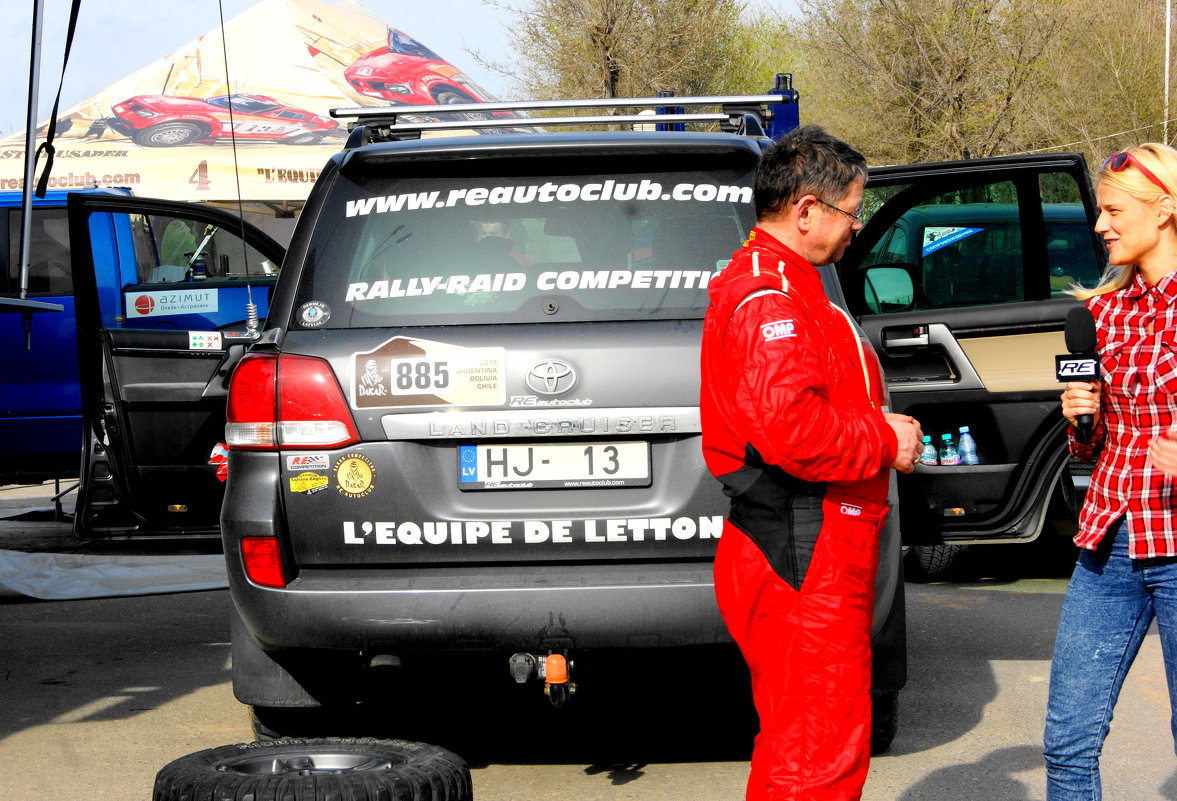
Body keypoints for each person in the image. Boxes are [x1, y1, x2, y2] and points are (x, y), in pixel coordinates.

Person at [699, 125, 923, 800]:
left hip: (809, 543)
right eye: (851, 212)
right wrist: (884, 441)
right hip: (806, 547)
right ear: (805, 209)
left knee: (800, 741)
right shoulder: (772, 298)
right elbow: (792, 429)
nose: (856, 227)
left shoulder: (787, 285)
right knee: (817, 752)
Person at [1047, 143, 1177, 800]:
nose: (1099, 224)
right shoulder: (1101, 313)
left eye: (1112, 209)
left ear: (1166, 209)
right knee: (1067, 738)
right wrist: (1080, 417)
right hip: (1110, 540)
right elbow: (1090, 448)